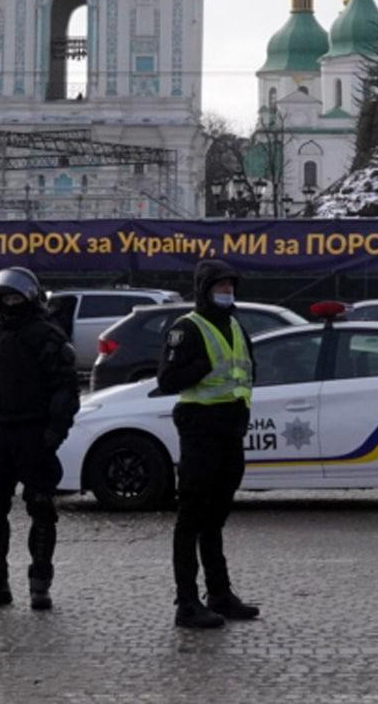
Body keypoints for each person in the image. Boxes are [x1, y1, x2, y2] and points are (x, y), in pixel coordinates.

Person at [0, 268, 80, 610]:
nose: (10, 304)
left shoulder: (46, 336)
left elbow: (65, 390)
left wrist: (54, 433)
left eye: (15, 298)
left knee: (41, 506)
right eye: (4, 299)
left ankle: (40, 581)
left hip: (33, 430)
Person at [156, 259, 260, 629]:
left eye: (230, 286)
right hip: (200, 432)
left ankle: (220, 594)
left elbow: (246, 371)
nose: (226, 292)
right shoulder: (186, 328)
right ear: (204, 289)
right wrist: (196, 368)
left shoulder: (235, 325)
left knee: (215, 520)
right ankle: (187, 602)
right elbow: (167, 380)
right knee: (191, 519)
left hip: (231, 433)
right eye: (220, 286)